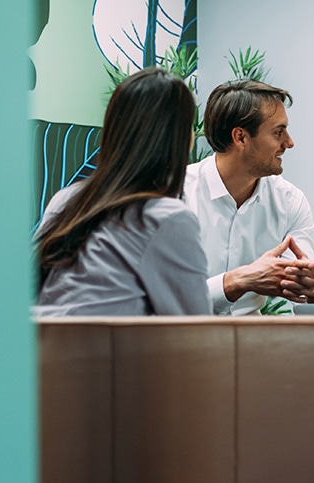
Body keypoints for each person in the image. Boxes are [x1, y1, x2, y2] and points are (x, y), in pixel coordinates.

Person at [34, 68, 207, 316]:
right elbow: (196, 329)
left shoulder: (68, 199)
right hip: (102, 354)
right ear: (178, 137)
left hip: (39, 351)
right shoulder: (166, 217)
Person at [184, 80, 314, 314]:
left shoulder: (290, 201)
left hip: (256, 343)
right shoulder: (176, 195)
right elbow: (161, 301)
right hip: (182, 341)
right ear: (240, 137)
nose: (289, 143)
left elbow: (307, 292)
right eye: (278, 132)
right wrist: (236, 281)